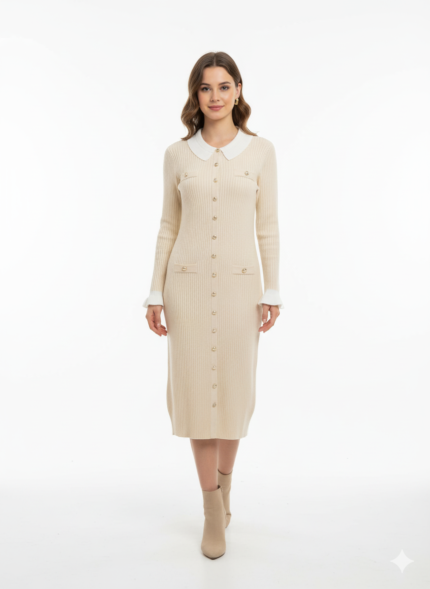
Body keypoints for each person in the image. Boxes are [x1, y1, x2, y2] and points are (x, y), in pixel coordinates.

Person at [143, 51, 284, 559]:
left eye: (225, 86)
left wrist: (272, 289)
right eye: (206, 88)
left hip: (243, 291)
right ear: (196, 95)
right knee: (196, 399)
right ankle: (210, 509)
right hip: (185, 290)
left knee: (232, 396)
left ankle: (225, 489)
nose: (216, 96)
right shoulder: (177, 155)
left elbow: (268, 225)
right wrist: (155, 292)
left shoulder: (261, 152)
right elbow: (168, 226)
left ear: (238, 90)